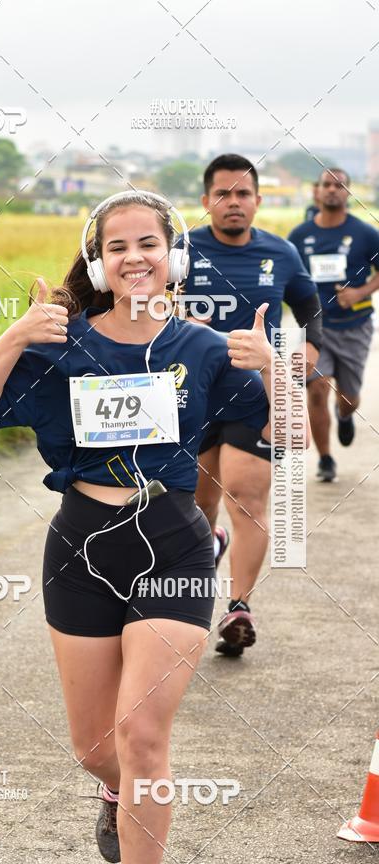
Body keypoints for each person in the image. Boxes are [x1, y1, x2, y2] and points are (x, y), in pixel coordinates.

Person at [0, 191, 286, 864]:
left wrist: (273, 368)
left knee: (142, 741)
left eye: (148, 244)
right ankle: (113, 792)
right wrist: (15, 334)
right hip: (80, 546)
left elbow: (287, 440)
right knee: (97, 750)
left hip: (174, 545)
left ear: (176, 257)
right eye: (117, 247)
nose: (134, 257)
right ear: (99, 263)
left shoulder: (202, 346)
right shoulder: (64, 344)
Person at [175, 154, 322, 658]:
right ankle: (207, 552)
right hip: (188, 399)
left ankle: (238, 607)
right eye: (222, 194)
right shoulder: (179, 252)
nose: (233, 203)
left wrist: (311, 346)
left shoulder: (280, 253)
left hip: (252, 397)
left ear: (257, 200)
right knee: (195, 506)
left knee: (245, 498)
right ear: (205, 201)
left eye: (242, 194)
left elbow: (308, 303)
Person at [289, 167, 379, 483]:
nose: (332, 190)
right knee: (316, 389)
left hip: (355, 326)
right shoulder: (299, 236)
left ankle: (345, 415)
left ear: (347, 193)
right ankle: (326, 459)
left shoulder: (367, 234)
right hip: (317, 328)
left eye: (340, 185)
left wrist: (360, 291)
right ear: (318, 190)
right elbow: (286, 276)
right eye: (327, 184)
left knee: (349, 396)